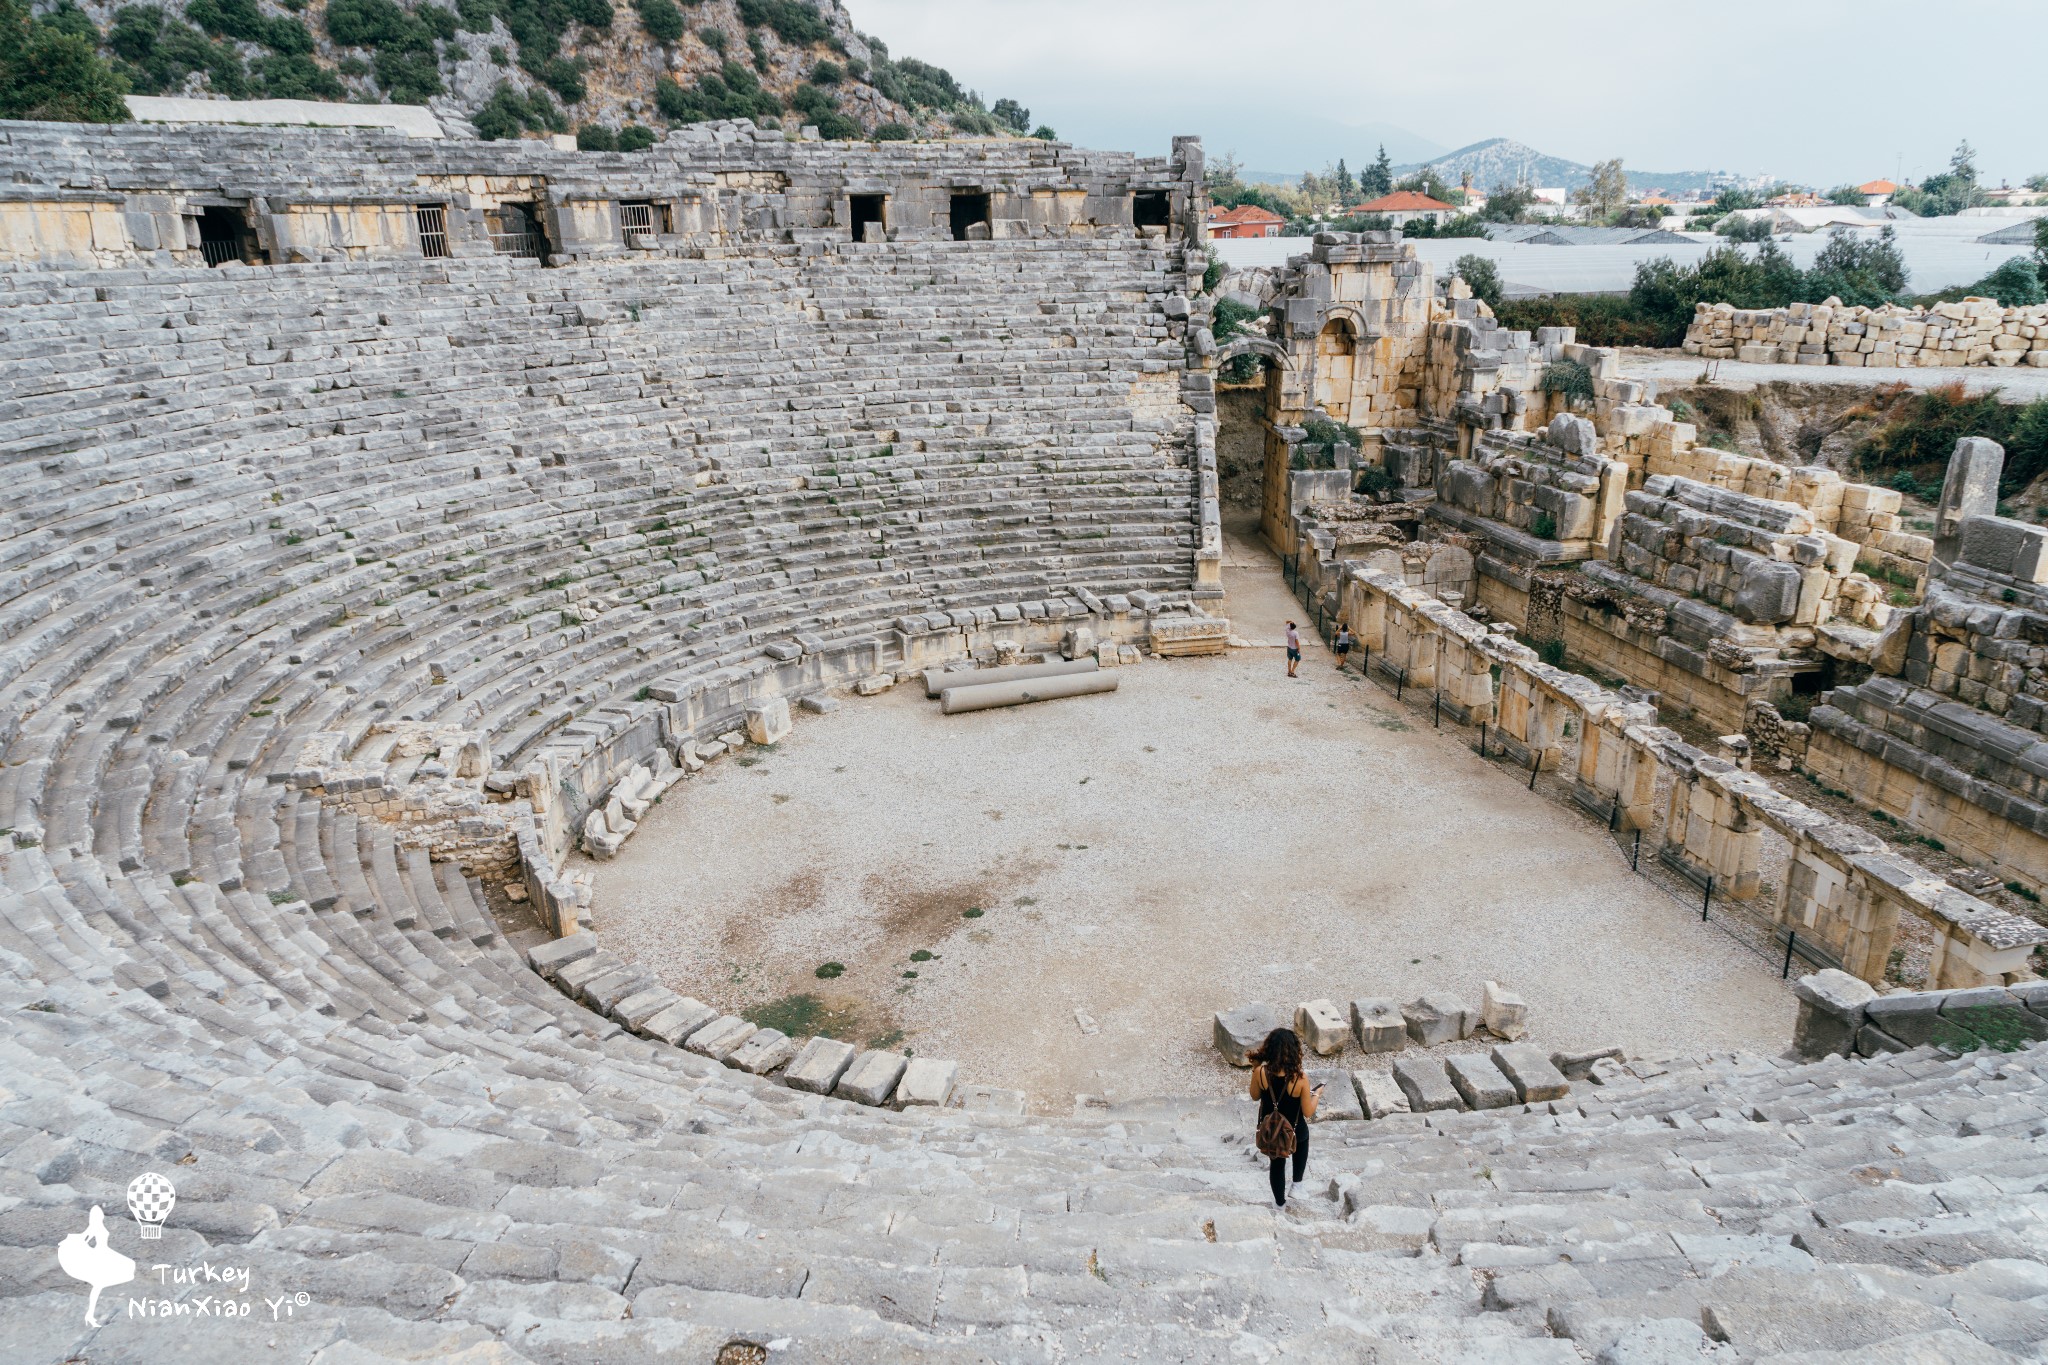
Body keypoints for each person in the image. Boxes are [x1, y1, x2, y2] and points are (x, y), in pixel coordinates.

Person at [1248, 1027, 1319, 1206]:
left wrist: (1255, 1068)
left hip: (1271, 1130)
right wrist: (1317, 1094)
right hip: (1293, 1130)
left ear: (1269, 1048)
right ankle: (1297, 1184)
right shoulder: (1300, 1078)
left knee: (1277, 1164)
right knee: (1303, 1137)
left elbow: (1255, 1096)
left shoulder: (1260, 1072)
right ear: (1294, 1051)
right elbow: (1308, 1112)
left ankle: (1280, 1204)